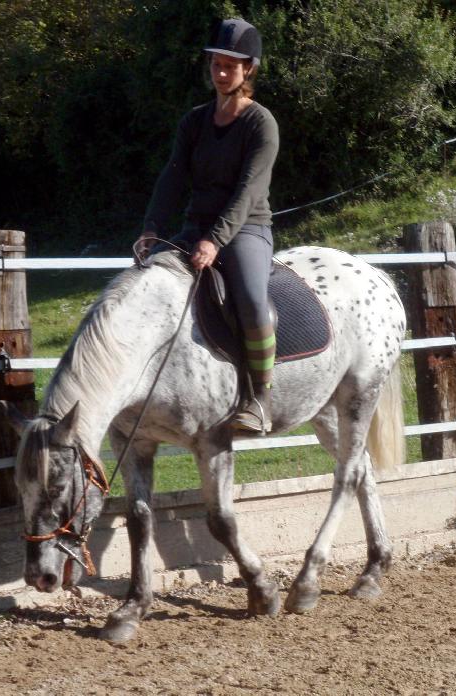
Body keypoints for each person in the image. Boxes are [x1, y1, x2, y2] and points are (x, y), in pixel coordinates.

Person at [136, 18, 279, 434]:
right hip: (194, 228)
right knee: (147, 285)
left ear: (248, 69)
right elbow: (173, 176)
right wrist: (151, 227)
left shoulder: (261, 124)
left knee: (252, 300)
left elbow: (248, 192)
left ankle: (260, 397)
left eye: (230, 66)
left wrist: (215, 240)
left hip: (246, 229)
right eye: (216, 64)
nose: (220, 73)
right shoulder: (194, 122)